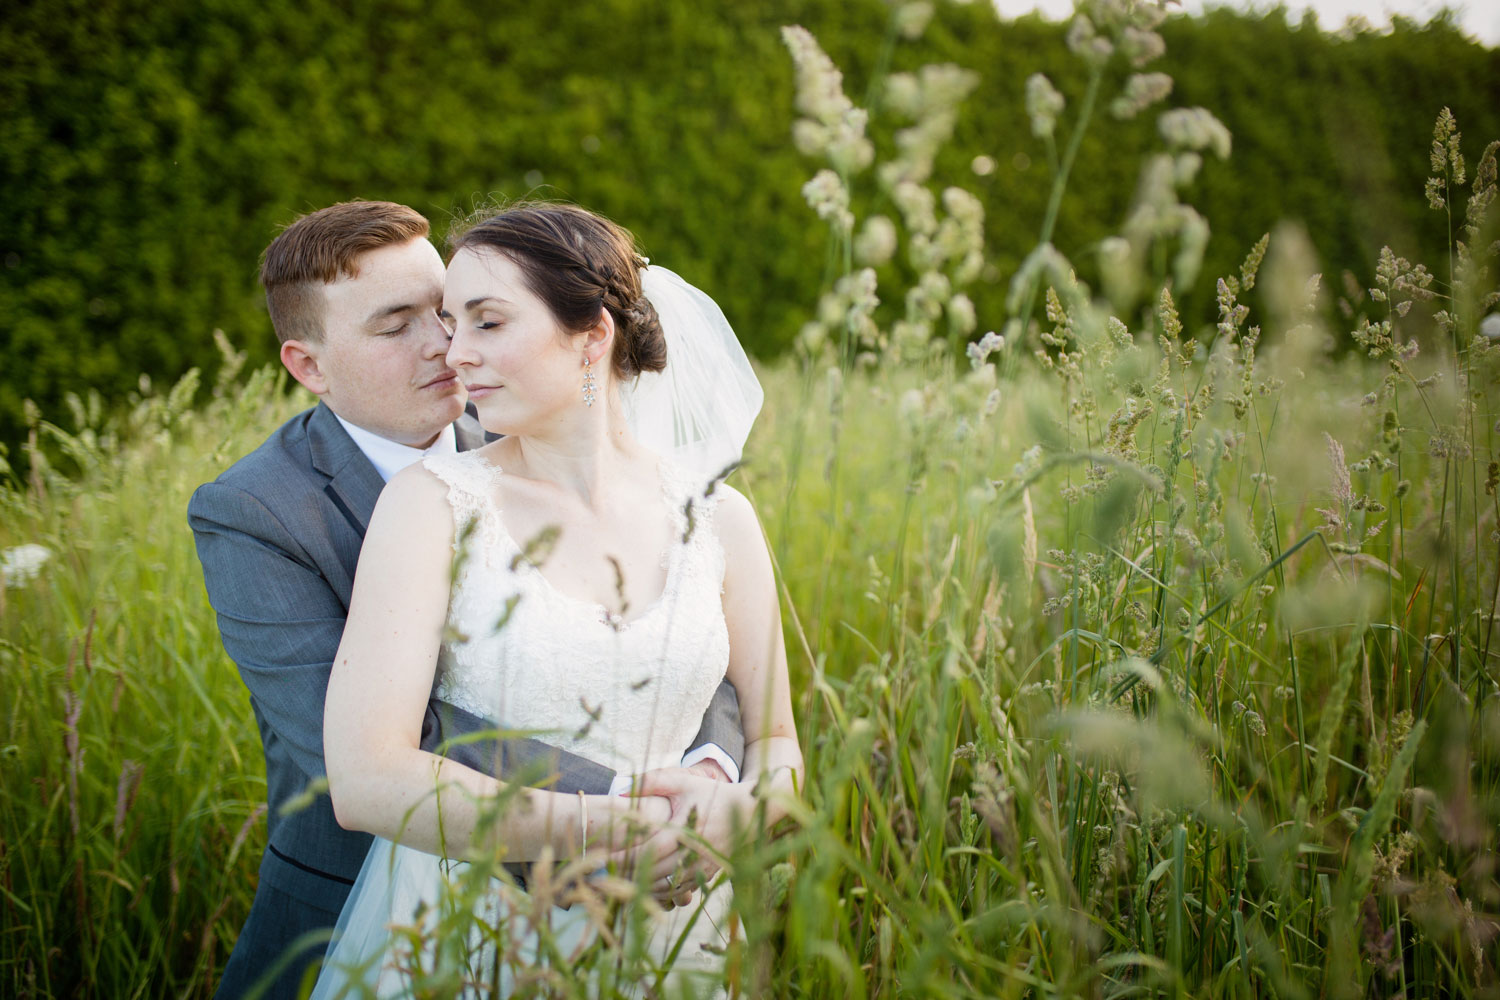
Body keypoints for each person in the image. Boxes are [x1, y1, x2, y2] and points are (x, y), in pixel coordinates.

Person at [188, 200, 747, 999]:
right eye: (397, 326)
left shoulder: (536, 427)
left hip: (659, 891)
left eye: (446, 312)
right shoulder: (256, 511)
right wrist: (630, 816)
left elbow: (682, 631)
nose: (447, 347)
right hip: (377, 903)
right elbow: (365, 750)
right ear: (309, 367)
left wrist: (710, 770)